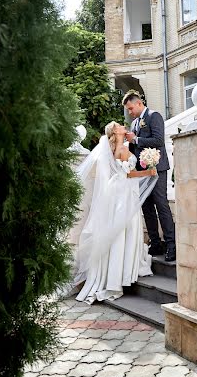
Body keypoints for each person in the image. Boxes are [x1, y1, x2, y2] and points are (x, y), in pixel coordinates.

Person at [72, 121, 157, 304]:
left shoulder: (111, 149)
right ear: (115, 132)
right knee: (127, 229)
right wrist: (149, 172)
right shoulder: (122, 150)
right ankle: (124, 272)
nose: (122, 126)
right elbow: (129, 174)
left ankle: (115, 269)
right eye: (119, 126)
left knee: (118, 230)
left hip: (116, 193)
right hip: (125, 193)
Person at [123, 91, 176, 262]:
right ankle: (155, 243)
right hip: (141, 172)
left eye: (131, 108)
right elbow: (132, 149)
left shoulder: (154, 116)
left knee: (161, 205)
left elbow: (159, 140)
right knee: (147, 208)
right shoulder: (134, 124)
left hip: (157, 168)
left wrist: (136, 140)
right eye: (128, 110)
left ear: (139, 103)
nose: (130, 112)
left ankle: (171, 245)